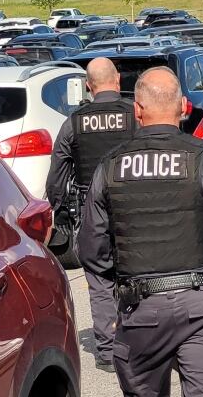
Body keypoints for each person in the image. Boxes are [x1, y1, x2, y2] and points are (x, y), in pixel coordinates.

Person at [78, 66, 203, 396]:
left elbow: (90, 250)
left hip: (142, 310)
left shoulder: (111, 166)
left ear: (137, 110)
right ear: (184, 107)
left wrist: (128, 280)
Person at [45, 57, 135, 373]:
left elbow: (56, 178)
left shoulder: (75, 122)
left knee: (99, 279)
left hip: (91, 211)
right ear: (119, 79)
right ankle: (145, 341)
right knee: (142, 271)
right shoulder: (136, 114)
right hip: (135, 207)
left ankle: (109, 351)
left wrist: (61, 216)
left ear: (88, 86)